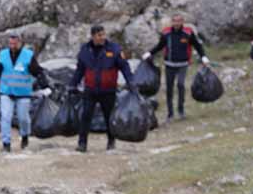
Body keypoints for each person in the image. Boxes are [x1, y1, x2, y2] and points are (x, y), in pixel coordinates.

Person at [70, 25, 135, 153]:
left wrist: (131, 81)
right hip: (90, 89)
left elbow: (124, 67)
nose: (102, 38)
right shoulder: (85, 50)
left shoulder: (114, 49)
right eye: (99, 35)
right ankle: (82, 143)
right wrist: (73, 84)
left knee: (109, 117)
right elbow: (80, 70)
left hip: (108, 90)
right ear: (93, 36)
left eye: (104, 34)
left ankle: (111, 141)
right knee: (86, 116)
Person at [0, 32, 49, 153]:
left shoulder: (28, 55)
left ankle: (25, 136)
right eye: (10, 43)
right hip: (6, 92)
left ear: (20, 42)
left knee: (23, 118)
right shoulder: (3, 55)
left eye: (14, 43)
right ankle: (6, 144)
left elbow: (37, 71)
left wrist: (45, 86)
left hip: (23, 93)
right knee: (5, 117)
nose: (12, 45)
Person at [144, 14, 210, 121]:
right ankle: (170, 114)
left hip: (182, 65)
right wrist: (149, 53)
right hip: (169, 64)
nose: (176, 23)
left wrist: (203, 57)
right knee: (169, 89)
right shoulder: (166, 33)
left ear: (182, 22)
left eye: (179, 21)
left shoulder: (188, 33)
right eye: (174, 21)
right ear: (172, 22)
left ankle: (181, 111)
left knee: (180, 85)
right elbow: (160, 46)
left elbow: (197, 45)